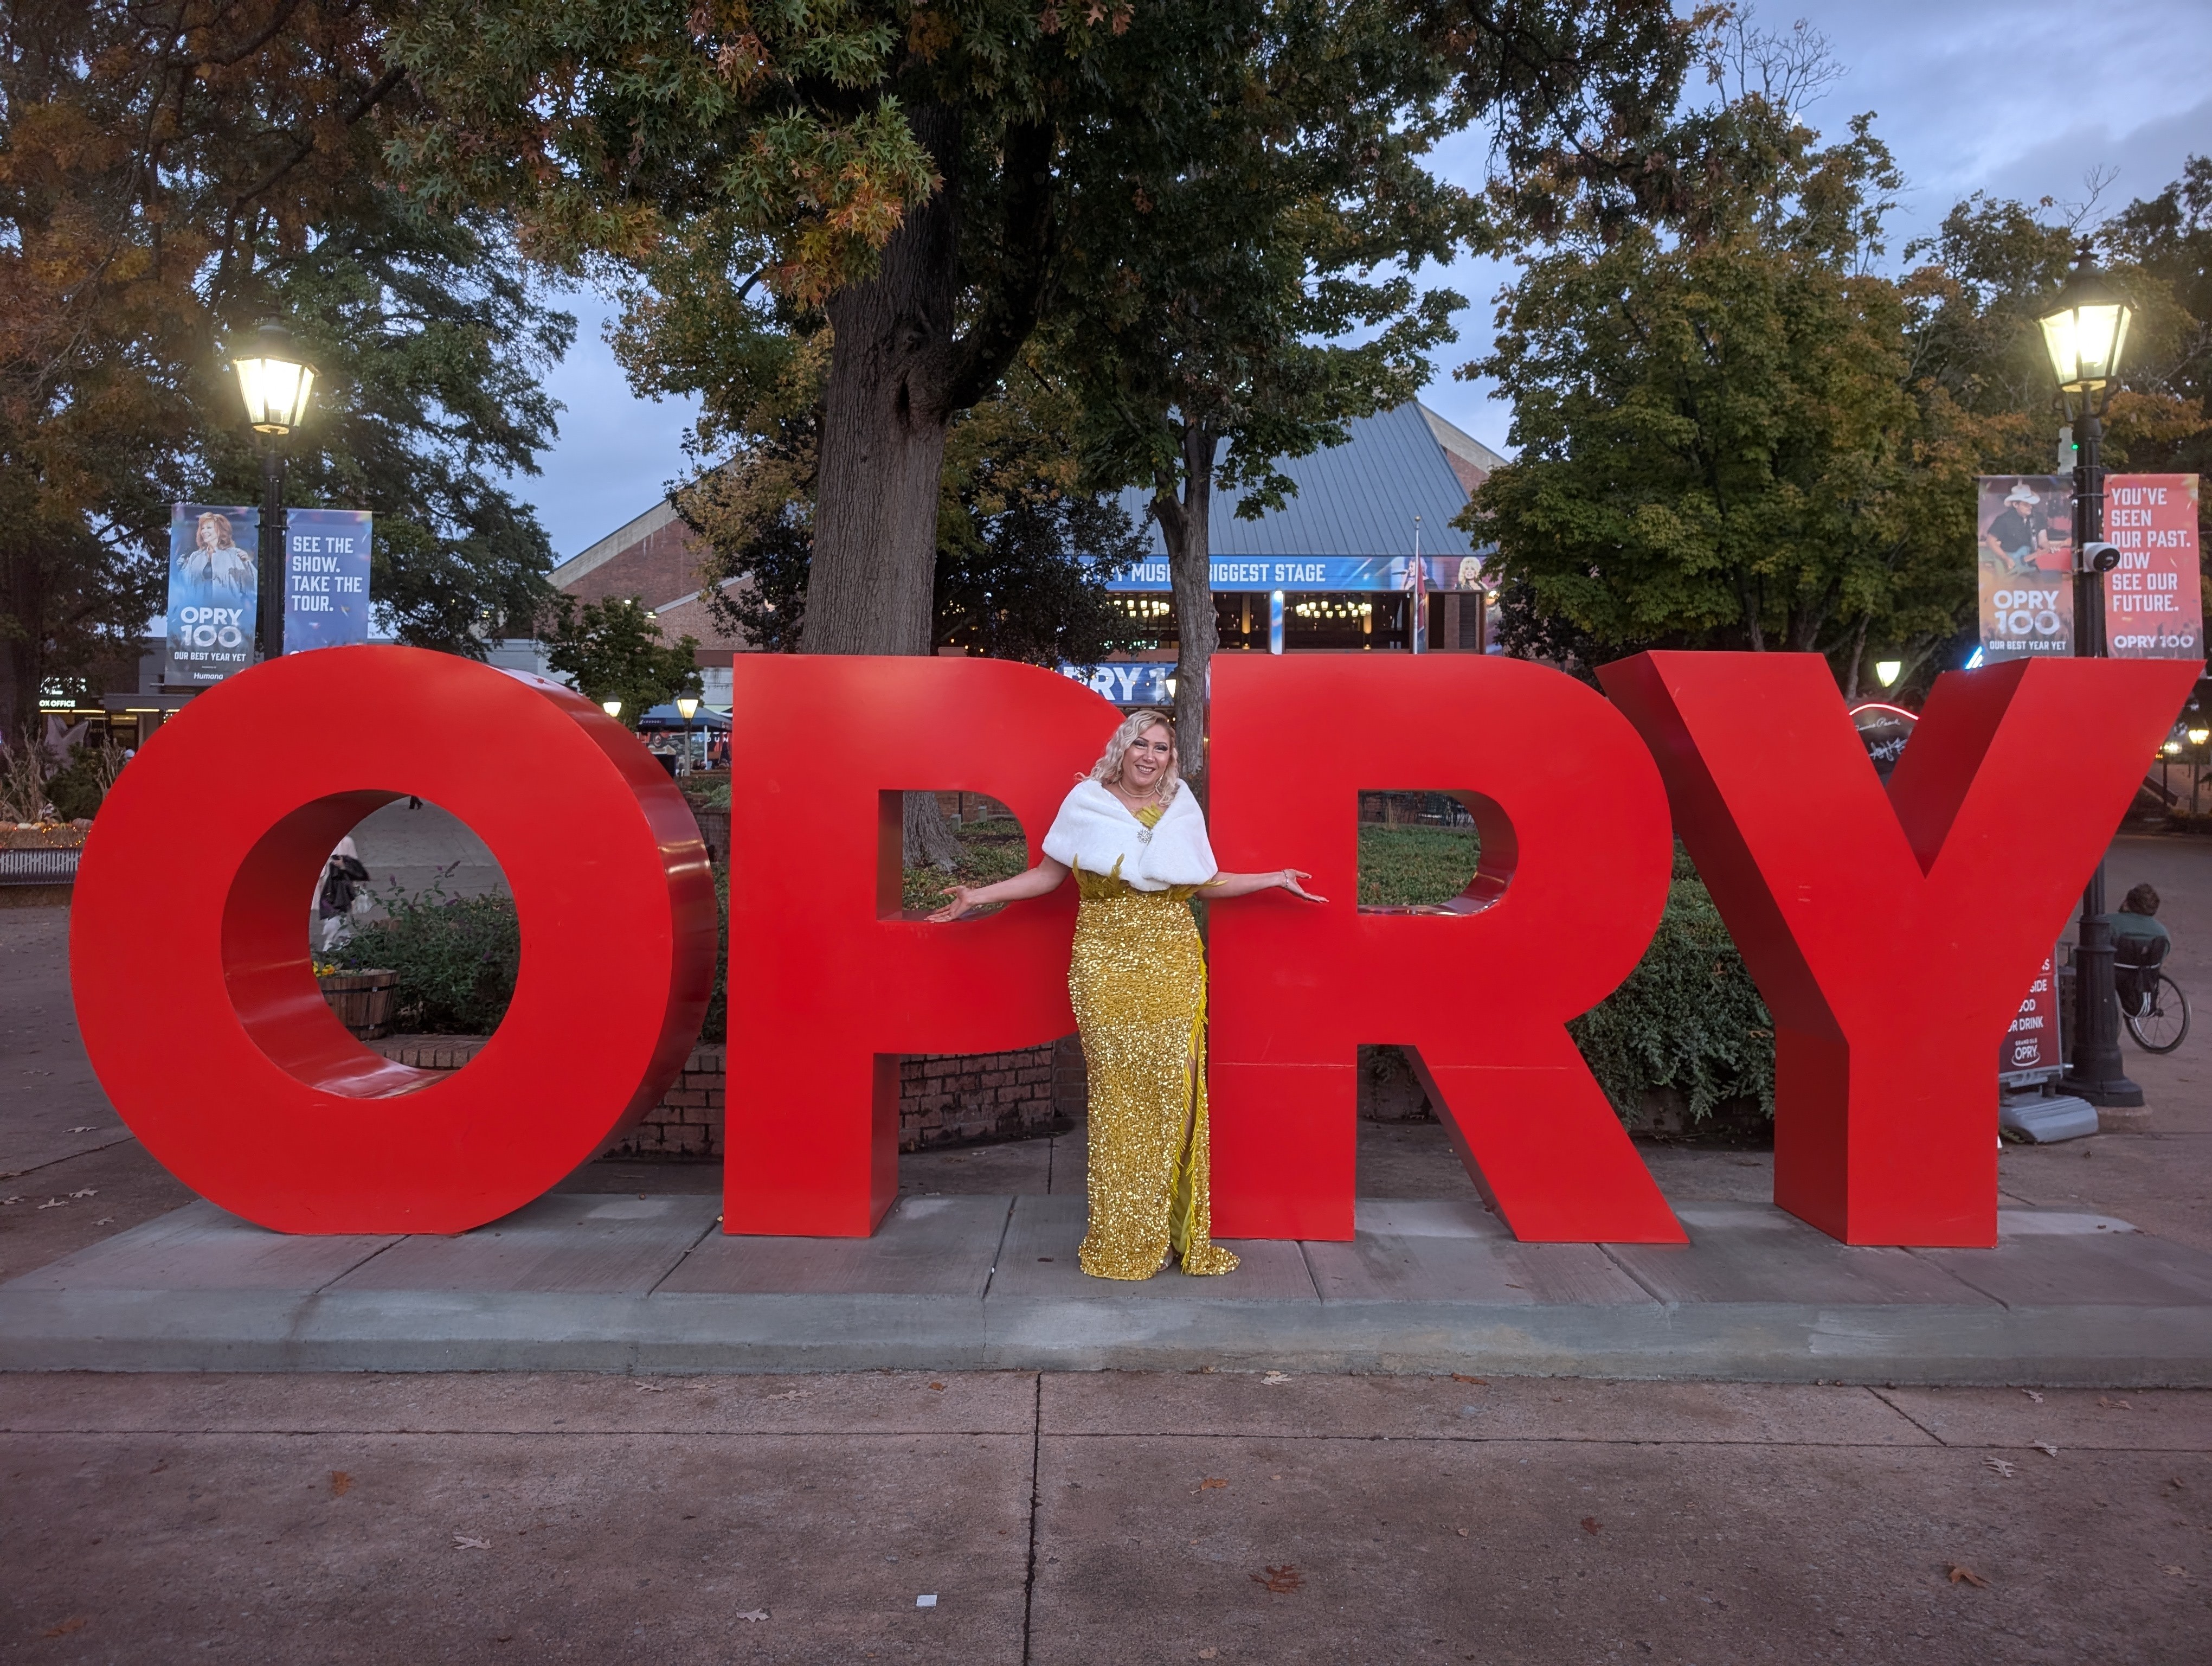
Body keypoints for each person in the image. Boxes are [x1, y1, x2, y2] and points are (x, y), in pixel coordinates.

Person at [928, 710, 1322, 1280]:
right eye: (1141, 743)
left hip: (1172, 961)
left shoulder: (1181, 805)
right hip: (1104, 964)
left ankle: (1173, 1232)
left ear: (1171, 758)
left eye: (1161, 748)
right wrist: (978, 896)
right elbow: (1047, 877)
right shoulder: (1086, 801)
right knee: (1119, 1101)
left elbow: (1202, 882)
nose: (1149, 756)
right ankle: (1127, 1236)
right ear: (1122, 748)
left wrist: (1274, 878)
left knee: (1175, 1092)